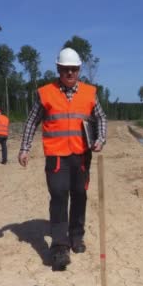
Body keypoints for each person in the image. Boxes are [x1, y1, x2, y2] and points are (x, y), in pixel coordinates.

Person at [18, 47, 107, 271]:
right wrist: (24, 148)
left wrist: (101, 138)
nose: (69, 73)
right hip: (56, 156)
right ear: (58, 69)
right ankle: (59, 246)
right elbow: (31, 121)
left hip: (81, 156)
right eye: (65, 69)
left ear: (78, 70)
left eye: (74, 69)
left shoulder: (89, 93)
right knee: (58, 196)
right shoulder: (45, 93)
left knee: (80, 195)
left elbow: (101, 117)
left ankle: (76, 236)